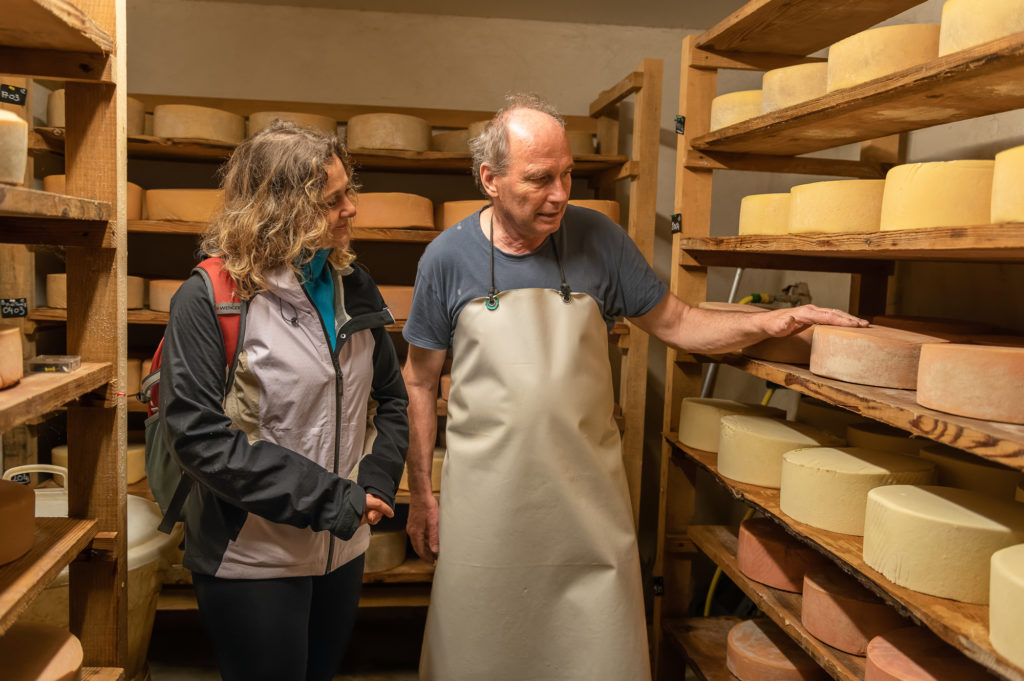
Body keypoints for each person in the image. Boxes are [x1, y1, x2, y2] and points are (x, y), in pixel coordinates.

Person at [401, 93, 867, 680]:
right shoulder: (445, 258)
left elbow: (678, 323)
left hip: (584, 497)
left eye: (567, 174)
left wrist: (764, 323)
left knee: (592, 650)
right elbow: (420, 381)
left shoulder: (600, 238)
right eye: (540, 179)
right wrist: (423, 494)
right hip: (487, 503)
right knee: (483, 648)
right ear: (489, 179)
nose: (561, 195)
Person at [159, 121, 408, 681]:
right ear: (280, 209)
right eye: (332, 200)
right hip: (252, 558)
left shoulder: (352, 283)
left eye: (350, 191)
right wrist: (333, 501)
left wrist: (375, 483)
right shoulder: (210, 299)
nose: (351, 209)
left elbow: (390, 398)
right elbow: (198, 440)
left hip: (341, 549)